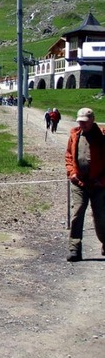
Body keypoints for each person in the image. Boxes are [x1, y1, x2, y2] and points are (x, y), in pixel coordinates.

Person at [64, 107, 105, 261]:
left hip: (99, 184)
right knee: (78, 212)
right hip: (79, 182)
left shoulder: (102, 136)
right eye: (80, 121)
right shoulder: (74, 134)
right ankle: (74, 249)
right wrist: (72, 173)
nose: (82, 124)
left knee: (100, 216)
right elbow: (69, 156)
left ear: (92, 120)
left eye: (85, 122)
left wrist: (102, 180)